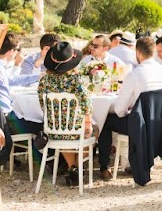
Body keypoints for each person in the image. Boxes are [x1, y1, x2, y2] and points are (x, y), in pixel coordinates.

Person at [98, 37, 162, 180]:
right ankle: (127, 161)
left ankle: (104, 167)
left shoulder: (135, 74)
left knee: (106, 120)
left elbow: (120, 110)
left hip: (142, 127)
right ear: (153, 52)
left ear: (138, 52)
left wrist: (130, 111)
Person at [37, 42, 94, 186]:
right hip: (76, 131)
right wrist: (88, 123)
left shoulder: (44, 81)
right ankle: (78, 168)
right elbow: (87, 106)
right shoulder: (76, 81)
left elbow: (43, 106)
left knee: (64, 131)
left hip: (54, 132)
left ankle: (72, 167)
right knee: (94, 130)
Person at [0, 33, 43, 163]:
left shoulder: (1, 66)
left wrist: (38, 76)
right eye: (18, 50)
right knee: (44, 127)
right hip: (5, 117)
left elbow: (12, 80)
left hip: (7, 114)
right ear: (11, 51)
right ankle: (50, 162)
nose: (18, 53)